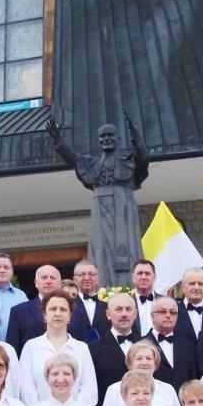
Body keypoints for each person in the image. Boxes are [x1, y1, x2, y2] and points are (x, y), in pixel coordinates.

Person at [46, 110, 149, 287]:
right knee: (101, 250)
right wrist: (58, 141)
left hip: (123, 206)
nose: (106, 139)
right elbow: (73, 159)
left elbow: (143, 156)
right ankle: (101, 287)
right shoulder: (92, 162)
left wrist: (135, 133)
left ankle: (128, 287)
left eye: (110, 135)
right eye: (102, 136)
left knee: (127, 248)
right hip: (100, 209)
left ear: (118, 138)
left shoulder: (128, 159)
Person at [19, 290, 98, 406]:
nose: (58, 313)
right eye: (52, 309)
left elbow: (89, 390)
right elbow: (26, 389)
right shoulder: (31, 347)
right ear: (44, 314)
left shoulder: (82, 348)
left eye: (63, 309)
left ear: (70, 315)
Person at [6, 264, 90, 356]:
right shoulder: (19, 312)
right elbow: (12, 352)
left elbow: (84, 347)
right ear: (36, 283)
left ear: (60, 283)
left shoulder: (78, 312)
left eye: (52, 278)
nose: (48, 281)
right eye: (44, 277)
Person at [102, 340, 184, 406]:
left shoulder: (168, 389)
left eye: (148, 358)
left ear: (155, 363)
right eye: (139, 358)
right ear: (130, 363)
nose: (144, 363)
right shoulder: (114, 389)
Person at [89, 292, 139, 405]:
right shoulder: (93, 349)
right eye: (118, 309)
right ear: (108, 314)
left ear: (135, 314)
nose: (124, 314)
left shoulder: (147, 345)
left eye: (128, 309)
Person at [144, 296, 197, 392]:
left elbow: (193, 378)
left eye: (173, 312)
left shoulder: (188, 345)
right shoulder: (141, 345)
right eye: (163, 311)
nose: (168, 315)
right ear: (152, 316)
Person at [174, 267, 203, 343]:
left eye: (200, 284)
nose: (196, 287)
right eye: (192, 283)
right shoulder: (173, 312)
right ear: (183, 287)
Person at [74, 259, 111, 335]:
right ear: (75, 280)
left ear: (97, 279)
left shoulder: (108, 307)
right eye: (82, 274)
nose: (87, 278)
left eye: (91, 274)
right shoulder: (68, 306)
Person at [131, 259, 160, 336]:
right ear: (133, 277)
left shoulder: (166, 302)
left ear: (154, 277)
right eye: (140, 273)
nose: (143, 277)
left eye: (147, 273)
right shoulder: (125, 304)